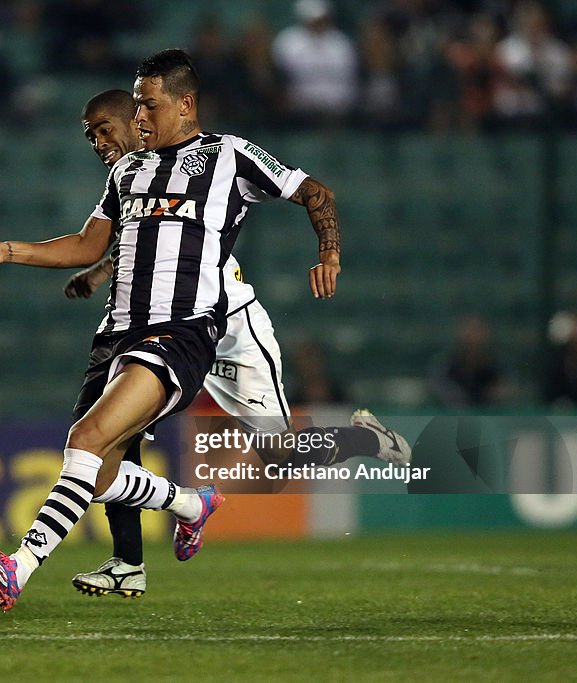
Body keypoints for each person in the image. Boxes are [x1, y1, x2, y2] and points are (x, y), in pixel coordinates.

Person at [0, 49, 407, 612]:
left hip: (193, 329)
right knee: (95, 473)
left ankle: (19, 568)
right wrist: (9, 250)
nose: (138, 118)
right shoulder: (128, 171)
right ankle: (190, 508)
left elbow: (316, 193)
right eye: (137, 106)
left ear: (185, 103)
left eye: (147, 105)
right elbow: (96, 243)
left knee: (274, 456)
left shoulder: (229, 156)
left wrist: (330, 252)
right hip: (121, 333)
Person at [64, 89, 406, 598]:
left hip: (233, 331)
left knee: (281, 456)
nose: (105, 141)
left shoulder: (212, 163)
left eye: (115, 126)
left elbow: (182, 237)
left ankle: (366, 439)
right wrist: (99, 271)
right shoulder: (139, 175)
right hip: (175, 329)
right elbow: (147, 245)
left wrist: (330, 252)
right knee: (118, 432)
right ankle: (126, 562)